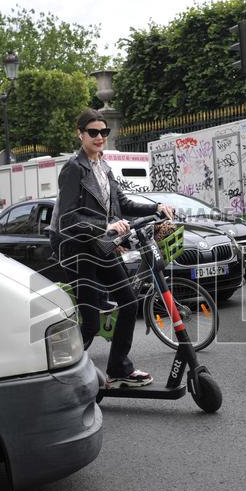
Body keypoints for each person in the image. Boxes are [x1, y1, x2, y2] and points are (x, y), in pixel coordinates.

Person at [52, 108, 174, 389]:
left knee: (129, 301)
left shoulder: (103, 167)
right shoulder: (73, 168)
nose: (99, 137)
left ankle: (119, 367)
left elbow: (123, 204)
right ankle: (65, 374)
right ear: (80, 134)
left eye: (103, 132)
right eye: (93, 132)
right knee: (92, 321)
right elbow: (68, 217)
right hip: (77, 250)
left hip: (102, 247)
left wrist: (156, 207)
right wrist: (103, 226)